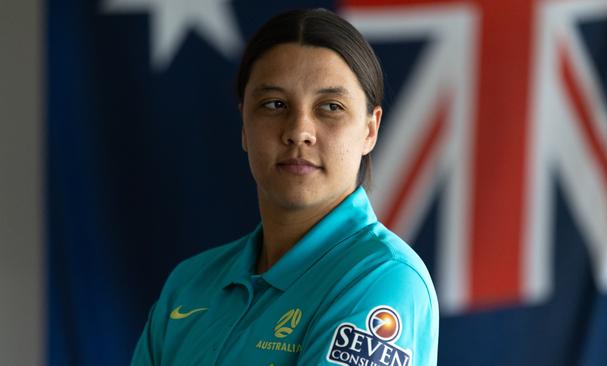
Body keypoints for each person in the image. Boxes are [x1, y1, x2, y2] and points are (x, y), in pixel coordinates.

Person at [131, 8, 438, 366]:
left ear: (370, 130)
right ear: (244, 123)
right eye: (274, 104)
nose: (299, 131)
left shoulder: (383, 278)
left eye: (330, 106)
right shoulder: (189, 284)